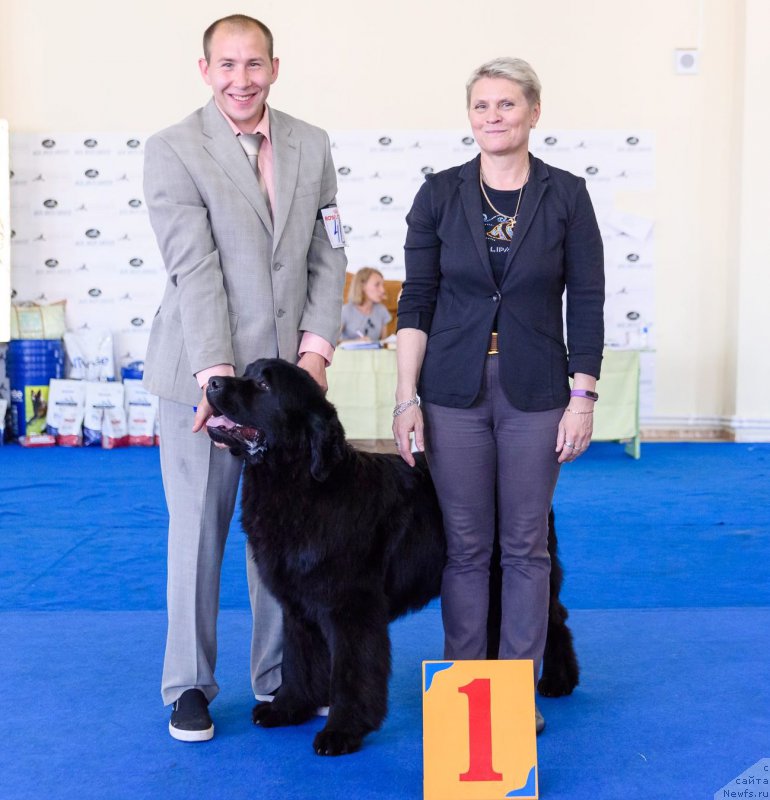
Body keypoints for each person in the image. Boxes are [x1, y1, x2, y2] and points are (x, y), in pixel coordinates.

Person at [142, 14, 347, 742]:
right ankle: (189, 686)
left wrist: (316, 355)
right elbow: (195, 270)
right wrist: (216, 383)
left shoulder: (311, 143)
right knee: (198, 533)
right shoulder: (171, 150)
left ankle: (281, 676)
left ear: (275, 67)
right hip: (203, 375)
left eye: (253, 64)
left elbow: (328, 255)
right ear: (204, 71)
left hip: (286, 389)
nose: (241, 79)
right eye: (226, 65)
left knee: (284, 537)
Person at [392, 57, 604, 735]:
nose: (494, 117)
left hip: (537, 392)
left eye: (507, 105)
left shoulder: (567, 195)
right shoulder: (439, 195)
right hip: (451, 391)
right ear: (470, 116)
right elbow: (416, 302)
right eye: (482, 106)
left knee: (525, 546)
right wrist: (405, 398)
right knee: (464, 548)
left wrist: (584, 396)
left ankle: (517, 689)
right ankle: (464, 685)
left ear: (534, 112)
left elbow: (589, 302)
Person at [338, 267, 391, 342]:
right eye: (377, 285)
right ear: (362, 285)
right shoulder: (345, 311)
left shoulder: (382, 310)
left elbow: (384, 343)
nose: (383, 290)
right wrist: (356, 342)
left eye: (382, 285)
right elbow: (333, 342)